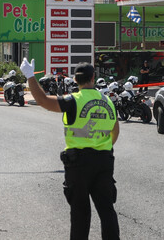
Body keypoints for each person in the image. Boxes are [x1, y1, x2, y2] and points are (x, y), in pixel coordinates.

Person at [20, 59, 120, 239]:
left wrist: (30, 76)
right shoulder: (107, 101)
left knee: (80, 213)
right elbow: (115, 131)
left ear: (75, 80)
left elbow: (43, 101)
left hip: (79, 164)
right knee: (107, 211)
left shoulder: (73, 100)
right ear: (93, 78)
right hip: (104, 161)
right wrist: (101, 146)